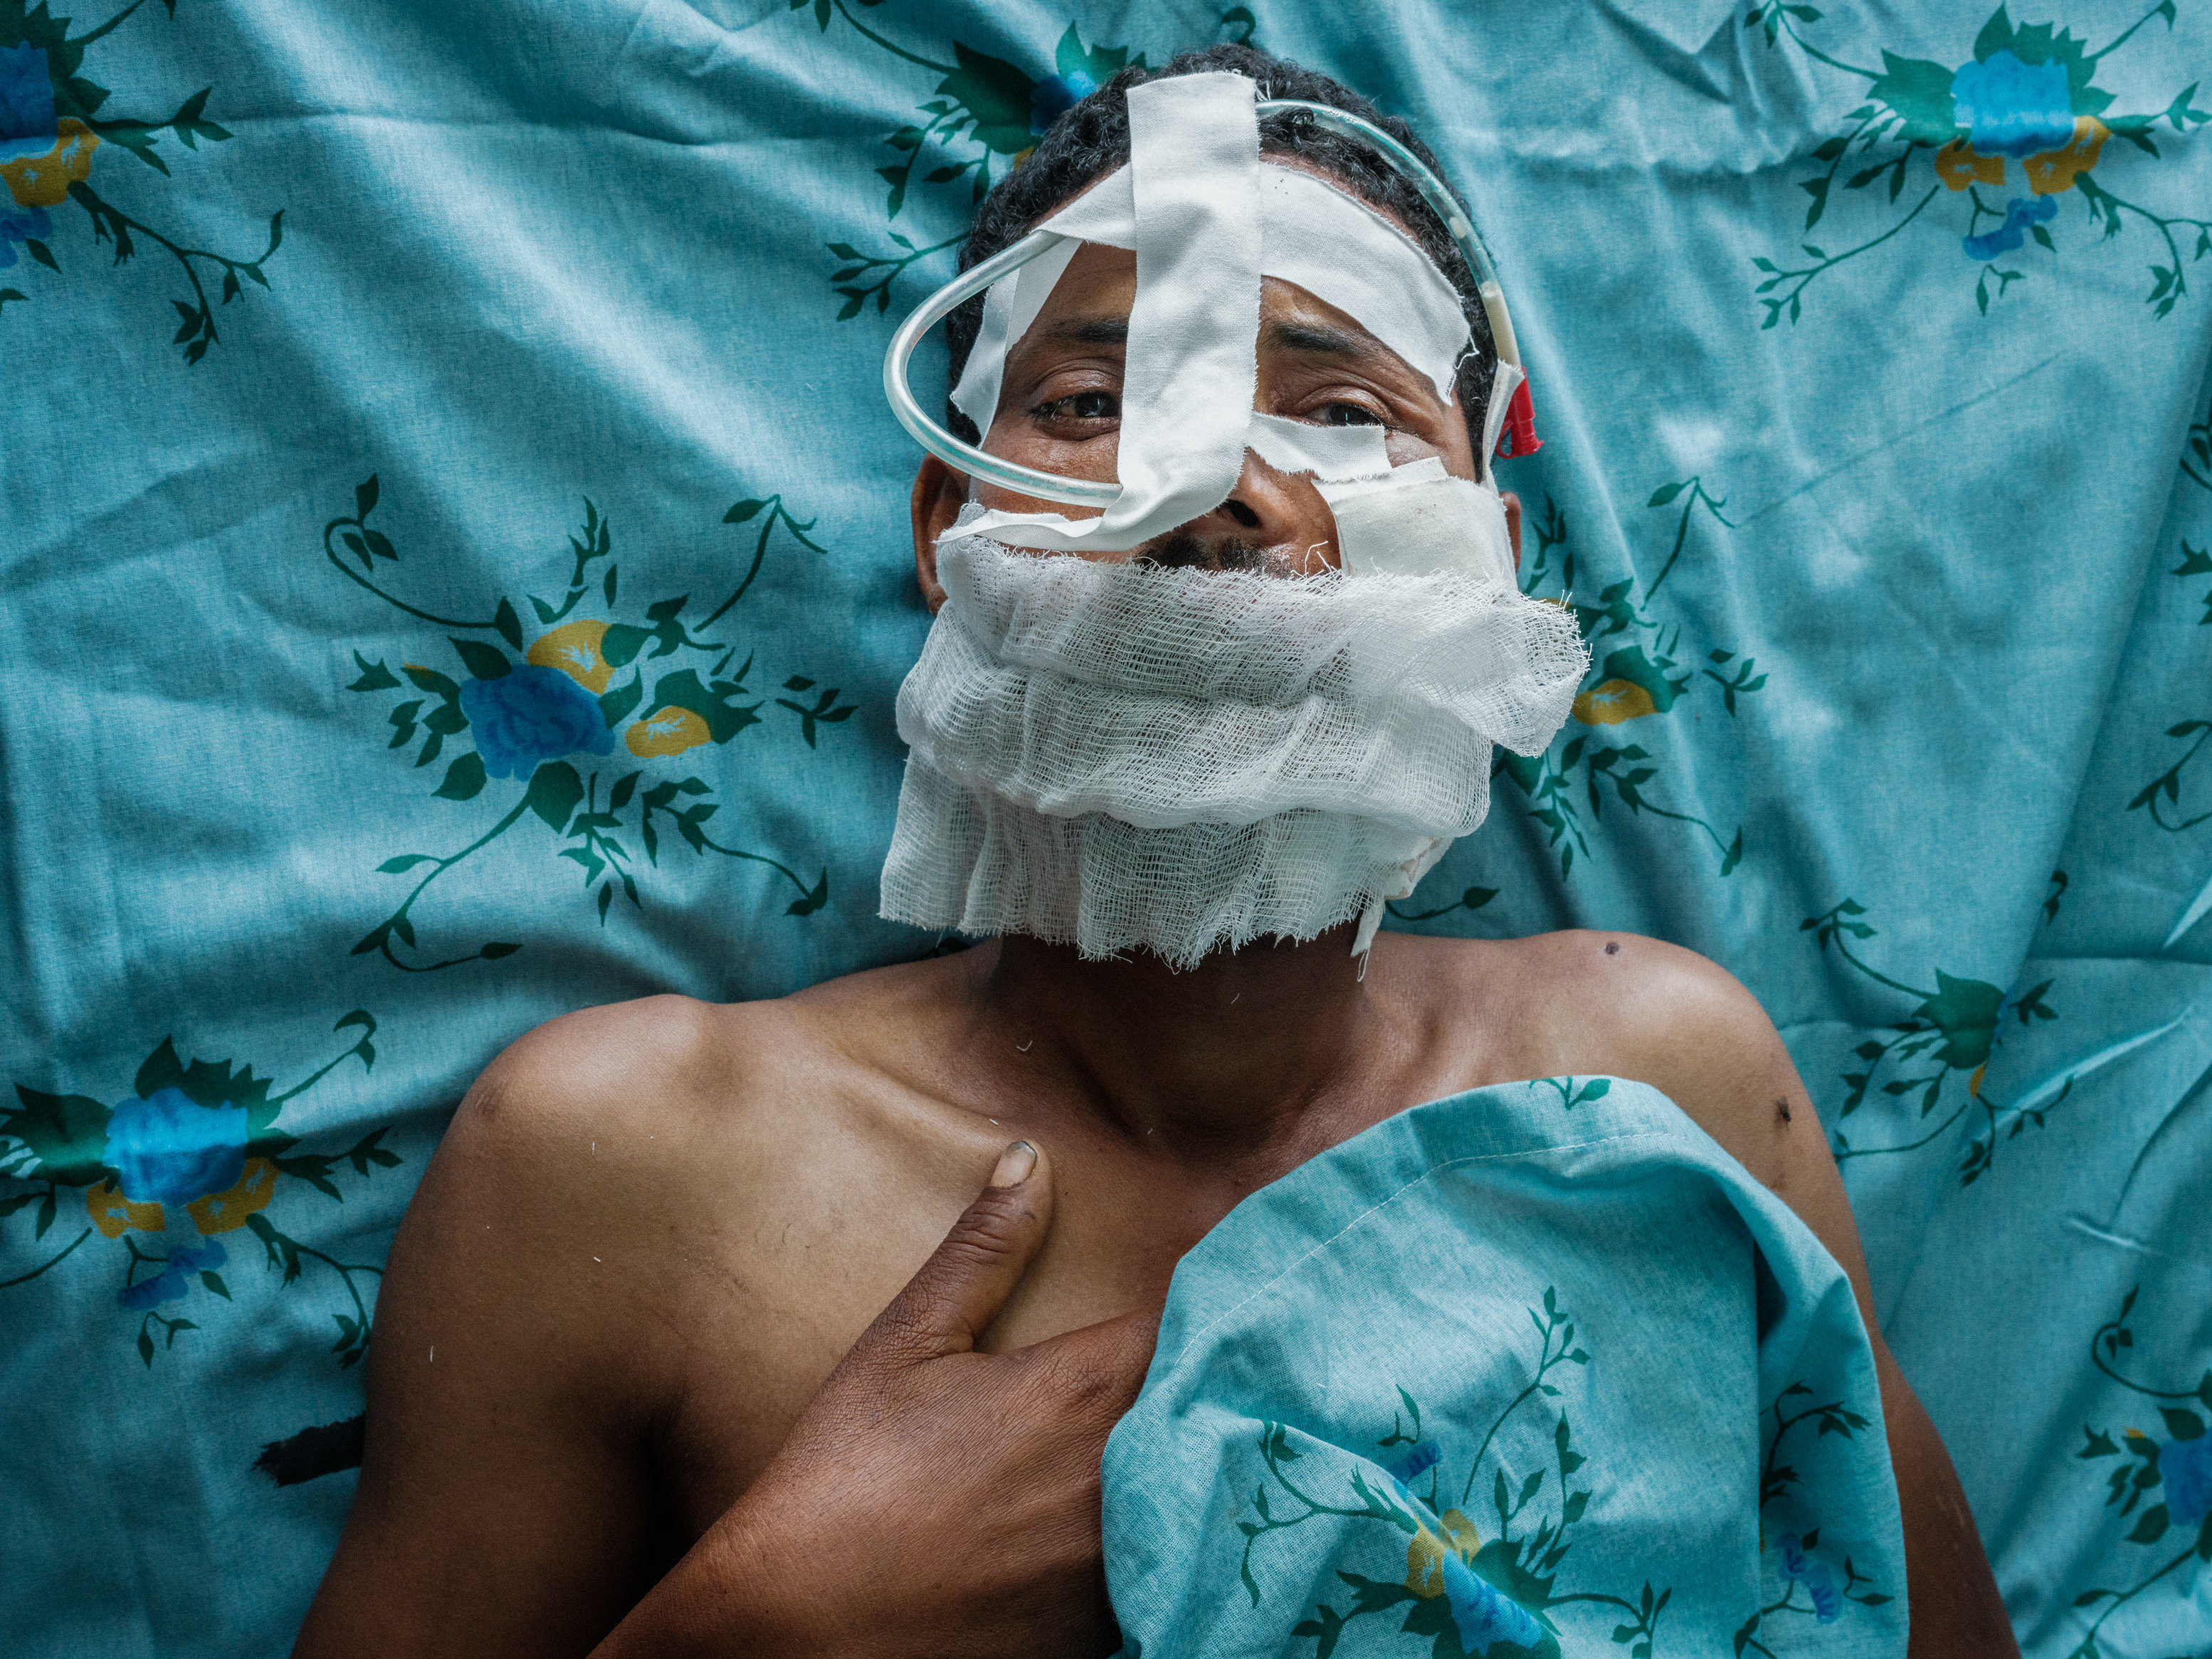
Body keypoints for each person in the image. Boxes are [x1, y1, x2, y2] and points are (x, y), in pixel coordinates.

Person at [295, 45, 2017, 1659]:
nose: (1212, 493)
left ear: (1488, 559)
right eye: (1093, 400)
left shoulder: (1664, 1090)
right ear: (951, 528)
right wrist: (762, 1619)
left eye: (1339, 410)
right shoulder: (623, 1170)